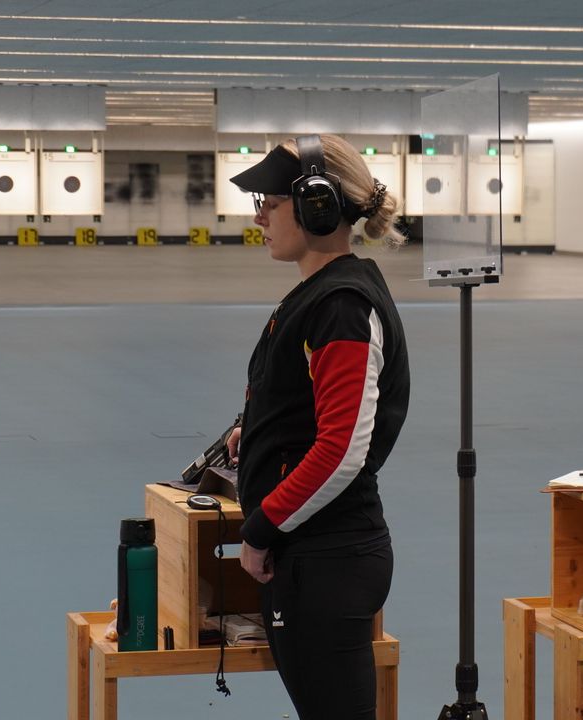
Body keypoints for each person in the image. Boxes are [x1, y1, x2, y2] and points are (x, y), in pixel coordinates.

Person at [223, 134, 410, 720]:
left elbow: (341, 450)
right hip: (315, 555)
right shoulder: (322, 295)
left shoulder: (340, 306)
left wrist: (259, 530)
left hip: (324, 560)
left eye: (270, 203)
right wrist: (253, 428)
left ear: (316, 205)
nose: (259, 217)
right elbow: (314, 407)